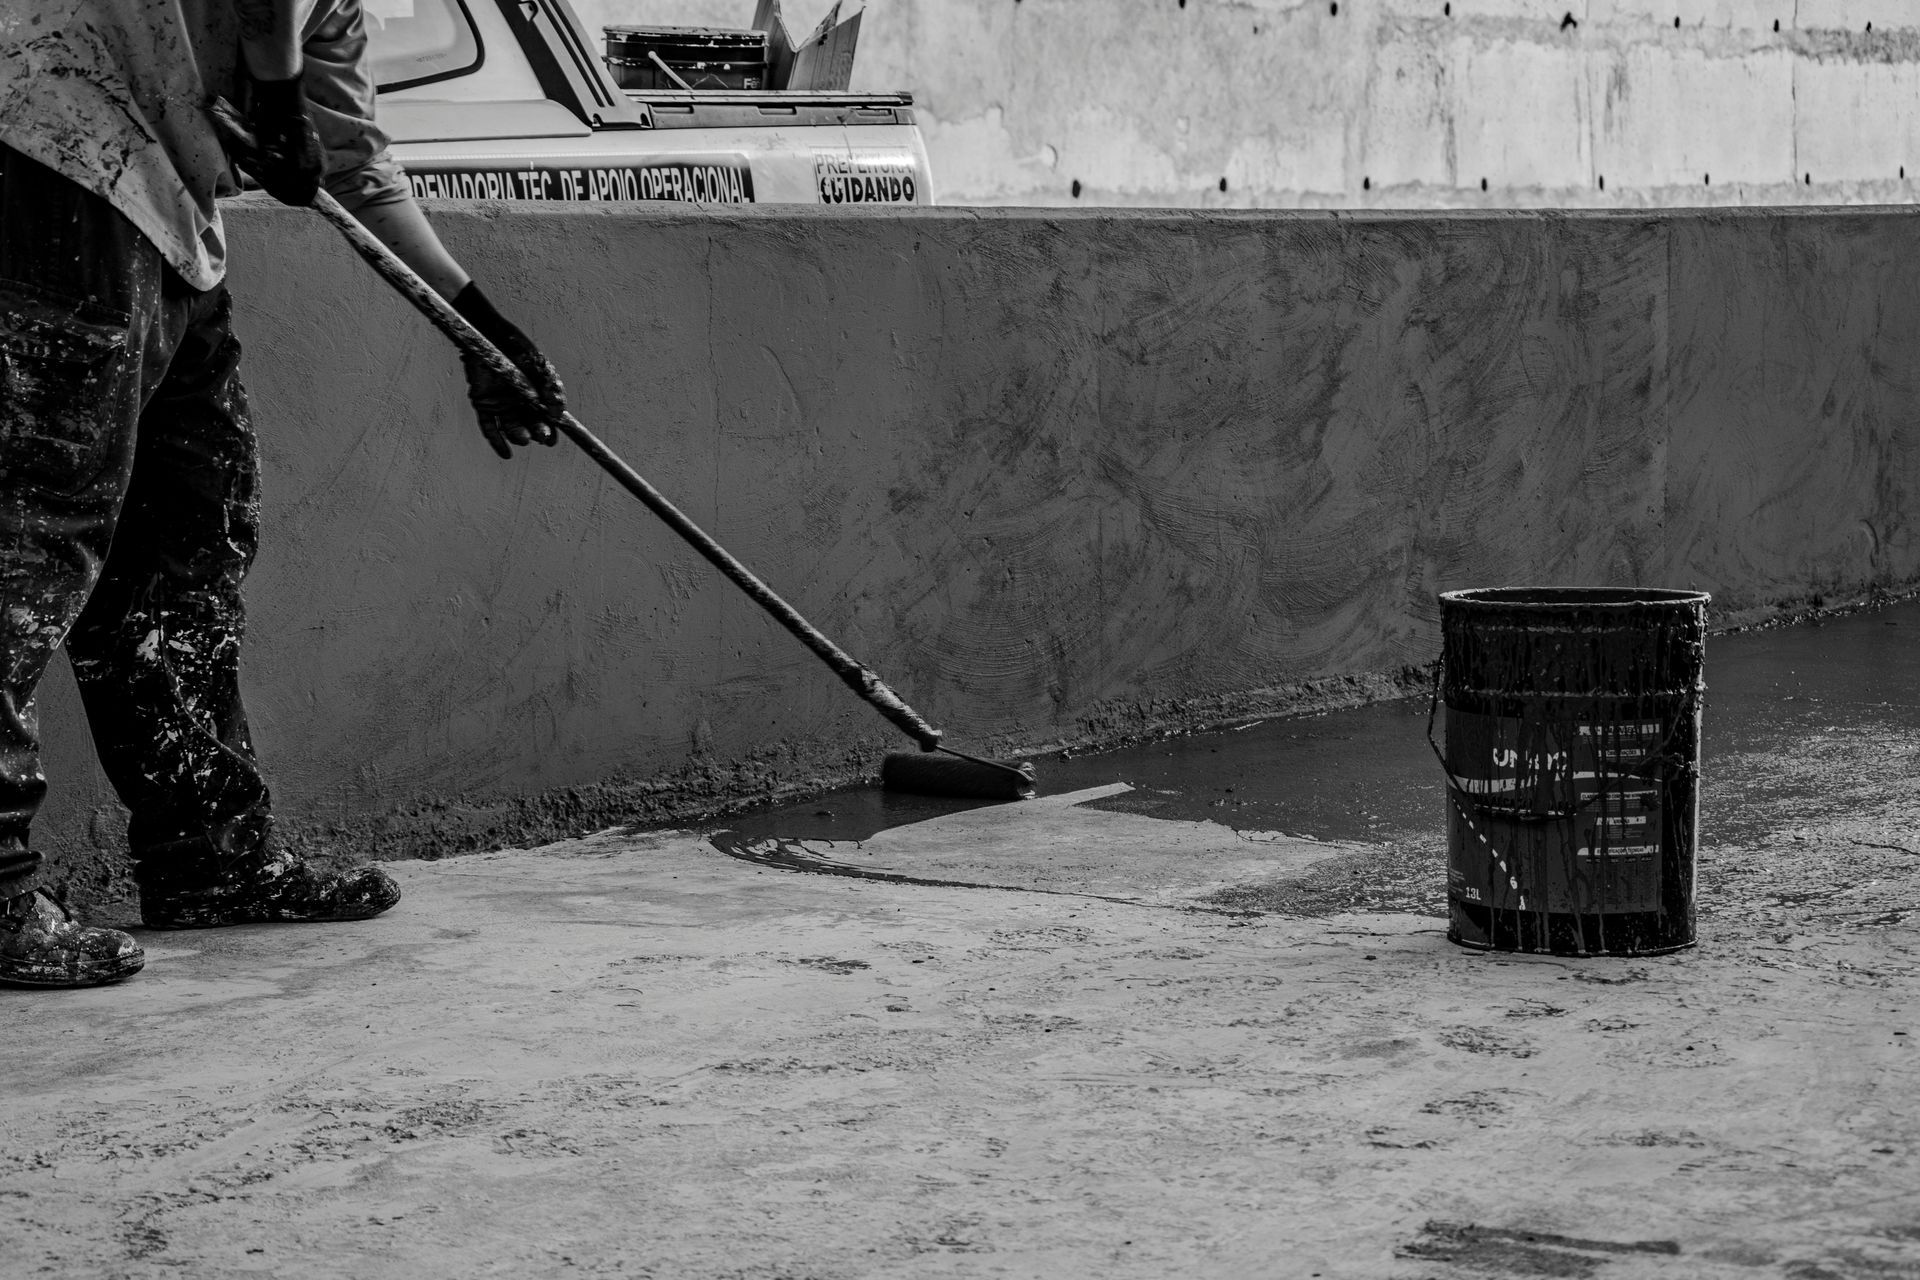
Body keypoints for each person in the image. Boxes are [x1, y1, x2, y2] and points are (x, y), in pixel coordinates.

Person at [0, 0, 565, 987]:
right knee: (29, 545)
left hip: (157, 212)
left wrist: (478, 325)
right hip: (47, 150)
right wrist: (268, 85)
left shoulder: (336, 13)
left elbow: (353, 161)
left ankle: (211, 857)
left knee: (190, 528)